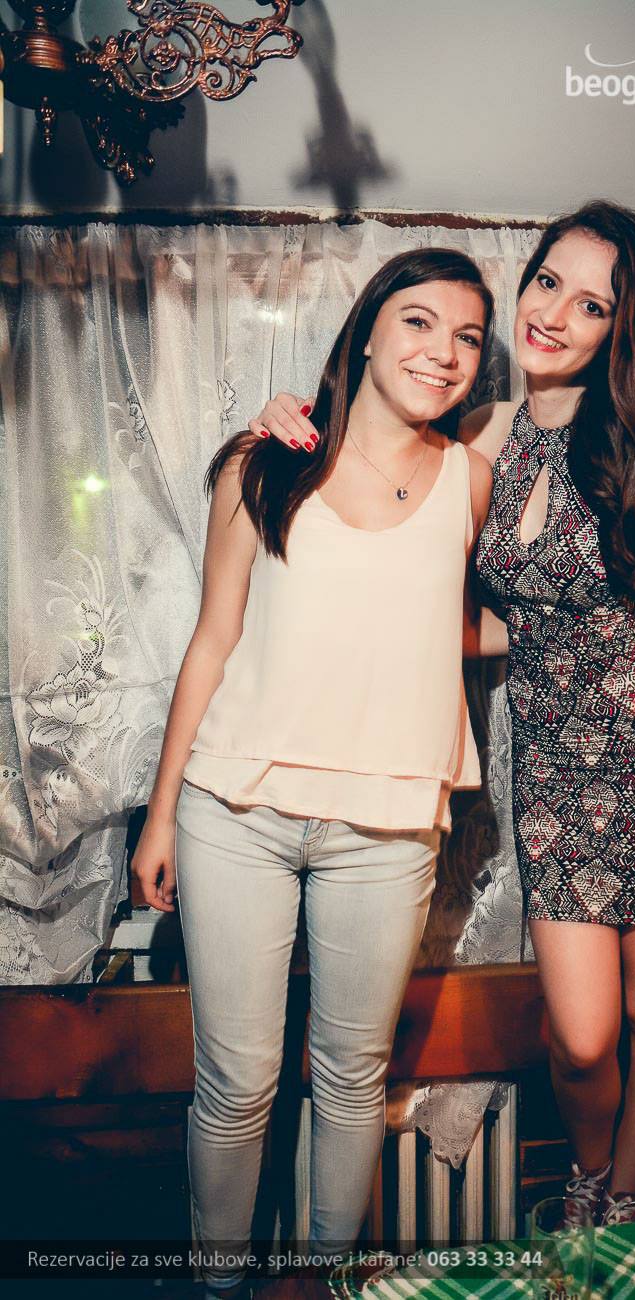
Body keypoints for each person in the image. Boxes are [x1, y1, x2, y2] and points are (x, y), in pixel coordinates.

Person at [248, 201, 635, 1227]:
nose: (555, 313)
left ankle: (619, 1199)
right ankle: (588, 1172)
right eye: (548, 282)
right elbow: (399, 518)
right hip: (554, 772)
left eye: (591, 304)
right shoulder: (479, 437)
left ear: (620, 330)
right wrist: (290, 419)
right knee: (581, 1036)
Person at [132, 248, 494, 1298]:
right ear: (368, 330)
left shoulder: (473, 478)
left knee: (349, 1081)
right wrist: (160, 815)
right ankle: (218, 1288)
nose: (443, 351)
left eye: (468, 337)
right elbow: (212, 640)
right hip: (234, 811)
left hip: (387, 825)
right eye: (419, 321)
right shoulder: (266, 461)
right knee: (237, 1084)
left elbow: (447, 615)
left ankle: (324, 1286)